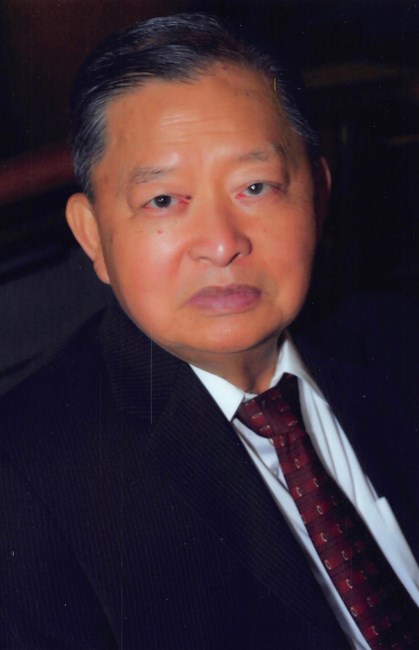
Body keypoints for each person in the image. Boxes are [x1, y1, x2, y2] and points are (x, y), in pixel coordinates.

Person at [0, 13, 417, 650]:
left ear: (317, 193)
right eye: (164, 200)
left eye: (256, 186)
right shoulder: (26, 480)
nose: (222, 244)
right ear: (92, 236)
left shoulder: (400, 338)